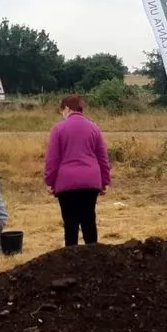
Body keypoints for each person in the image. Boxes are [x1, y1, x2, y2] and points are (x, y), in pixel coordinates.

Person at [44, 94, 111, 246]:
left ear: (67, 108)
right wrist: (105, 180)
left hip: (67, 183)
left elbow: (52, 159)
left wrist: (50, 181)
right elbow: (103, 157)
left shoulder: (58, 129)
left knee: (70, 223)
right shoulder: (94, 128)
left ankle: (71, 256)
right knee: (89, 220)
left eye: (62, 111)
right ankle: (93, 254)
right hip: (91, 182)